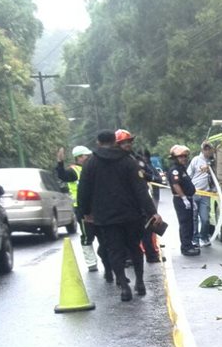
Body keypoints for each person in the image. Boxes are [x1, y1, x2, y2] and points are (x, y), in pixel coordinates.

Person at [77, 130, 163, 302]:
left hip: (105, 216)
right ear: (114, 142)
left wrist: (85, 212)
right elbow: (140, 190)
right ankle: (139, 282)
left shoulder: (90, 164)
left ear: (98, 142)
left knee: (114, 251)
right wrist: (152, 212)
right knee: (134, 248)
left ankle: (124, 286)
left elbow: (83, 191)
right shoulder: (128, 161)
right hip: (131, 214)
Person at [54, 144, 105, 273]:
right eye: (86, 156)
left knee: (104, 235)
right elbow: (62, 175)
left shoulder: (92, 167)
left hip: (98, 207)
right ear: (79, 158)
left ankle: (106, 258)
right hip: (82, 209)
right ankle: (91, 263)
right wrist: (60, 162)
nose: (88, 158)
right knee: (88, 236)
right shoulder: (74, 171)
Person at [114, 129, 162, 263]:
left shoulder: (136, 159)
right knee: (125, 231)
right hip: (123, 201)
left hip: (140, 198)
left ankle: (151, 255)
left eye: (128, 142)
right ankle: (128, 257)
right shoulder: (113, 162)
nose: (127, 145)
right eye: (123, 143)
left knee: (148, 227)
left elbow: (149, 175)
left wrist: (146, 176)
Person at [166, 145, 200, 256]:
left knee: (190, 223)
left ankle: (189, 244)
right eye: (181, 156)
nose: (184, 158)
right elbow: (176, 185)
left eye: (185, 156)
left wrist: (191, 199)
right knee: (185, 223)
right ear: (175, 158)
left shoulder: (181, 168)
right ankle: (186, 247)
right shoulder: (175, 170)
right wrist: (184, 198)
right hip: (181, 200)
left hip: (187, 199)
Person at [188, 141, 215, 247]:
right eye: (205, 149)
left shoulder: (213, 162)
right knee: (194, 217)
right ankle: (195, 239)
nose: (207, 151)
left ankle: (204, 236)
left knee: (205, 218)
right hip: (195, 192)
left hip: (206, 194)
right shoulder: (196, 160)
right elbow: (189, 174)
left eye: (209, 149)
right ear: (202, 150)